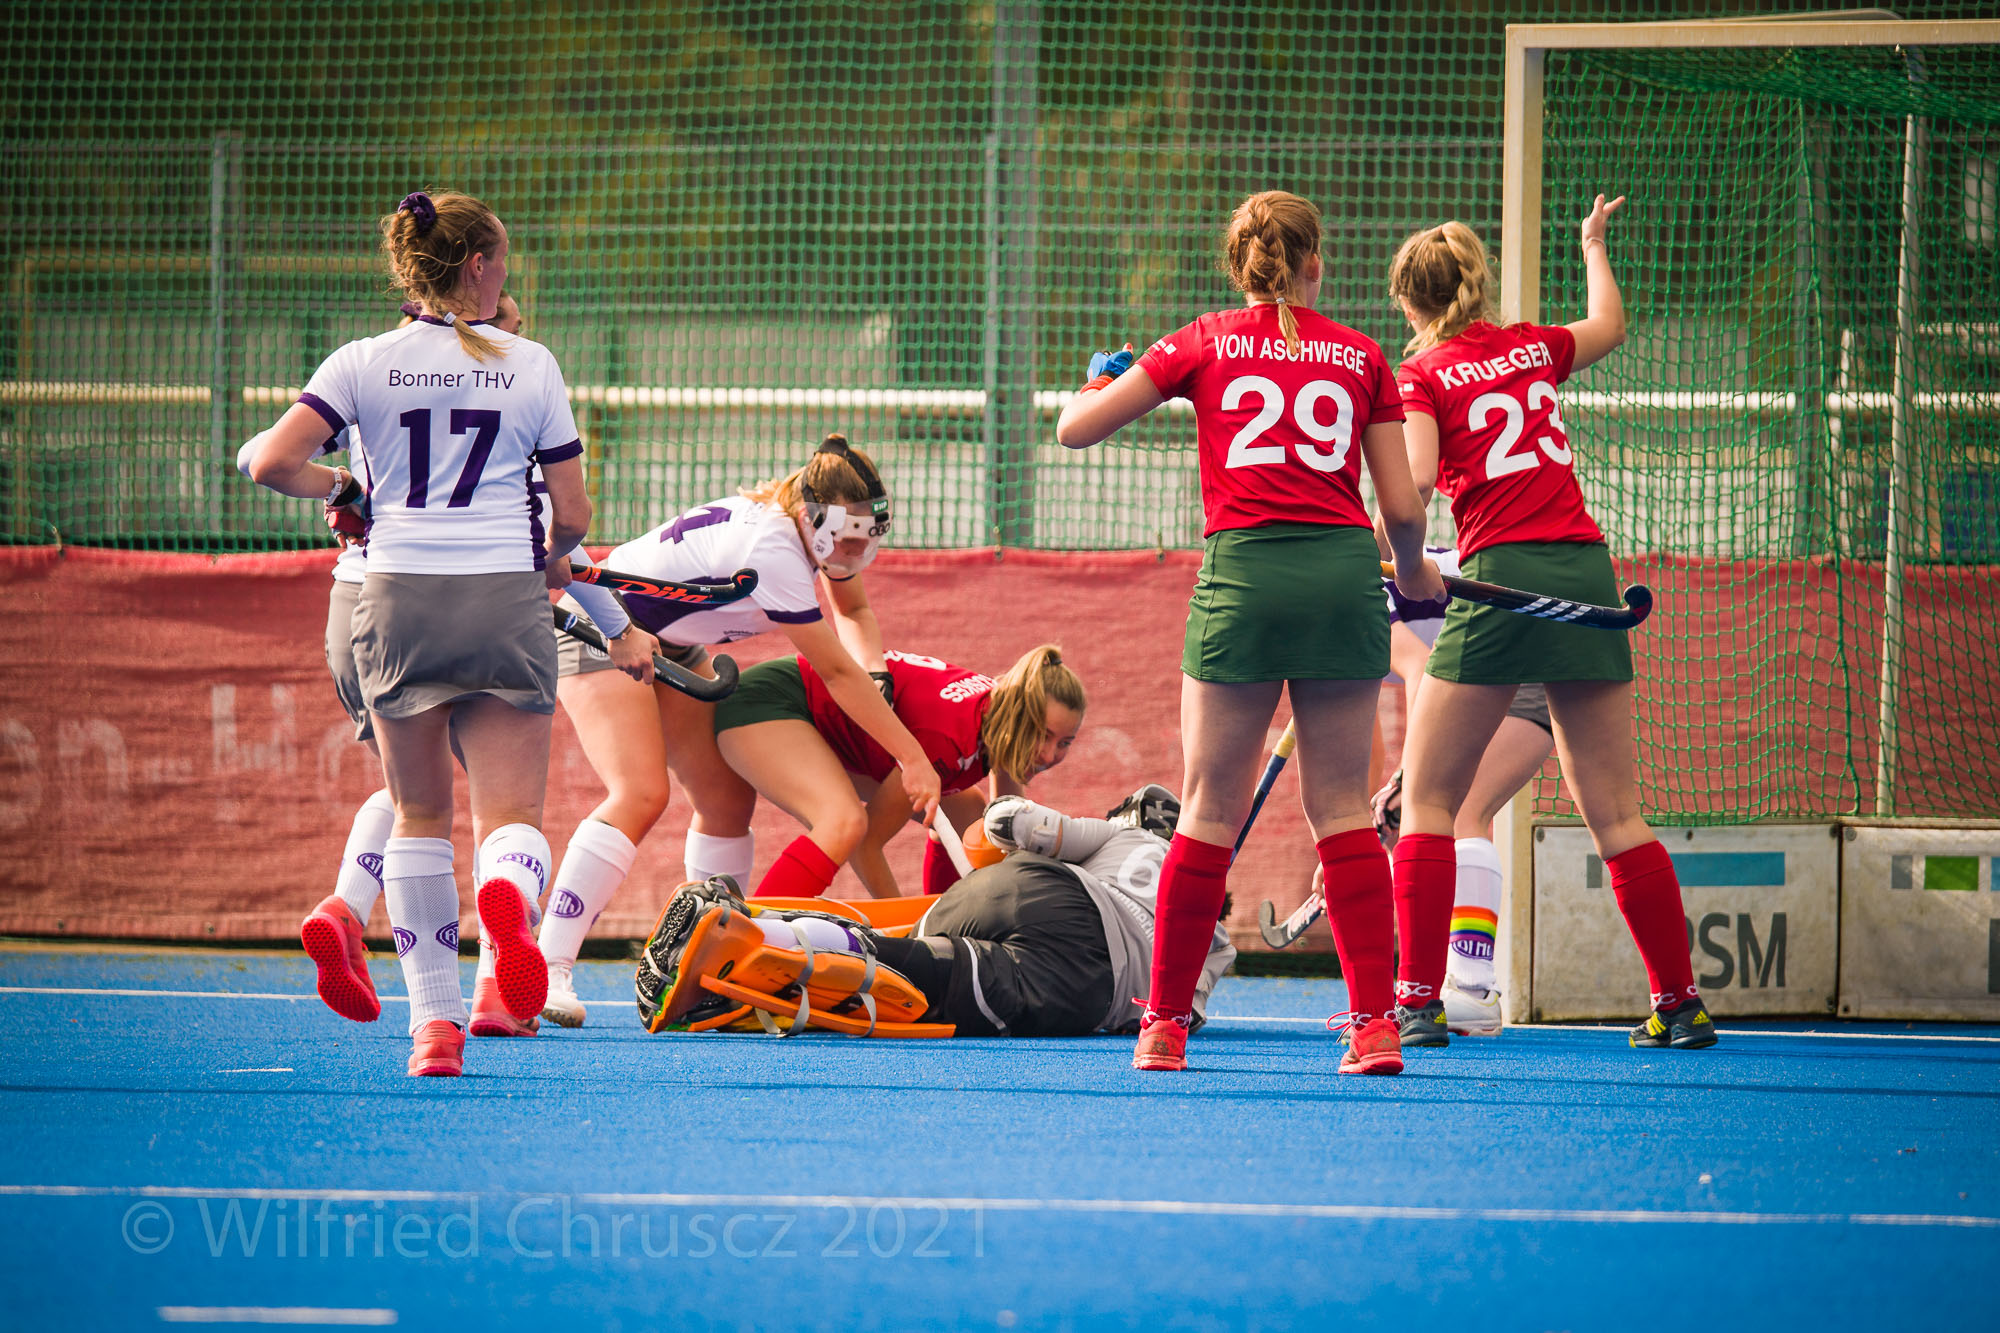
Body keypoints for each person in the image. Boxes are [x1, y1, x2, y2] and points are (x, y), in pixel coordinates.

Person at [1055, 189, 1443, 1075]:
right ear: (1316, 263)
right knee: (1340, 808)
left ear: (1239, 266)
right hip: (1341, 581)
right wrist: (1414, 570)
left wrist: (1098, 380)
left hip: (1243, 580)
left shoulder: (1201, 339)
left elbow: (1076, 430)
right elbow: (1400, 506)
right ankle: (1375, 1026)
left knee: (1206, 808)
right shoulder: (1364, 355)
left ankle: (1163, 1026)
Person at [240, 293, 651, 1042]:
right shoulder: (515, 401)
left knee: (413, 801)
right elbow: (565, 533)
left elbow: (259, 456)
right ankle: (495, 979)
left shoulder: (369, 379)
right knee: (501, 812)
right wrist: (619, 628)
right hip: (487, 602)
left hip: (367, 609)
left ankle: (355, 914)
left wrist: (340, 486)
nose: (507, 338)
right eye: (504, 323)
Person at [1385, 197, 1716, 1051]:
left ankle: (1416, 1002)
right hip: (1587, 575)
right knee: (1617, 812)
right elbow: (1610, 323)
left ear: (1411, 304)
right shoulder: (1531, 346)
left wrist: (1401, 557)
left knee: (1428, 799)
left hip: (1500, 579)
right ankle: (1679, 1003)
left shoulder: (1421, 376)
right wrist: (1593, 245)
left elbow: (1414, 484)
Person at [530, 433, 944, 1027]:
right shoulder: (774, 550)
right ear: (814, 518)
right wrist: (912, 757)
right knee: (640, 793)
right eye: (848, 538)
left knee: (725, 802)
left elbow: (853, 612)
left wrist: (876, 671)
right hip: (603, 624)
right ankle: (549, 966)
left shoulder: (809, 530)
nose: (855, 553)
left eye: (867, 538)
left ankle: (705, 962)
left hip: (672, 642)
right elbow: (835, 673)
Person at [636, 786, 1236, 1040]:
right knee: (909, 971)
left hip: (1042, 888)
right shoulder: (1216, 938)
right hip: (1087, 983)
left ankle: (759, 926)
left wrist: (999, 828)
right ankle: (756, 956)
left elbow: (1016, 821)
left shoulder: (1120, 836)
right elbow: (1181, 1014)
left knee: (896, 940)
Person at [710, 645, 1084, 898]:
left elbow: (1006, 822)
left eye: (1065, 742)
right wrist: (911, 938)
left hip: (823, 722)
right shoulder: (950, 739)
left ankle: (949, 923)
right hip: (766, 704)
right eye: (1042, 735)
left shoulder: (1000, 714)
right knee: (846, 824)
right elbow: (866, 846)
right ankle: (749, 936)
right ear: (1019, 718)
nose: (1049, 754)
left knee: (972, 816)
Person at [1372, 545, 1555, 1037]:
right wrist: (1355, 835)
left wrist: (1405, 779)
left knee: (1457, 813)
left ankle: (1473, 992)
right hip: (1501, 664)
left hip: (1511, 671)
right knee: (1441, 811)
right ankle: (1463, 987)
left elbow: (1422, 668)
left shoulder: (1355, 596)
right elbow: (1358, 761)